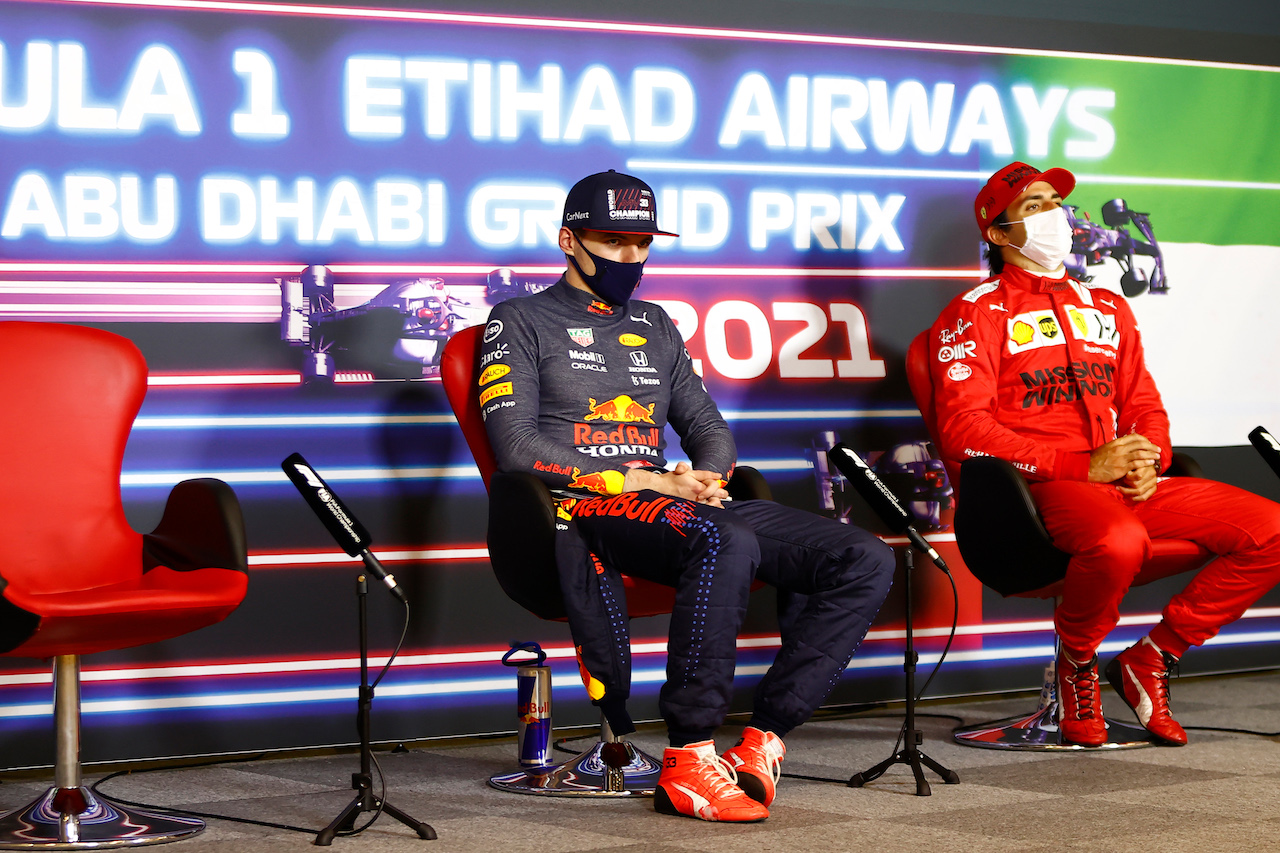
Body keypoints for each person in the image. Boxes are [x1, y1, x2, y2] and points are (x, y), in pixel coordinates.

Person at [479, 170, 894, 821]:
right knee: (721, 536)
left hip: (671, 503)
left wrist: (708, 474)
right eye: (612, 240)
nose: (630, 256)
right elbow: (517, 448)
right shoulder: (518, 320)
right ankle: (690, 757)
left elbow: (708, 427)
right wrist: (648, 481)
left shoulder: (656, 324)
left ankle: (763, 740)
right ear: (568, 239)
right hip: (581, 509)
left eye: (640, 241)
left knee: (866, 556)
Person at [927, 161, 1280, 747]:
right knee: (1119, 541)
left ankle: (1154, 656)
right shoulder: (974, 312)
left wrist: (1149, 459)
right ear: (999, 234)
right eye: (1035, 206)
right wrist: (1080, 466)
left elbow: (1143, 402)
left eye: (1055, 203)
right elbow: (963, 428)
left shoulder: (1108, 308)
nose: (1056, 216)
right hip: (1036, 493)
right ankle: (1076, 667)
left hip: (1117, 486)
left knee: (1271, 528)